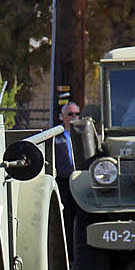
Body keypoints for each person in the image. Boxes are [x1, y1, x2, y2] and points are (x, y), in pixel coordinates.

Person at [54, 102, 82, 255]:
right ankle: (68, 252)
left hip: (81, 180)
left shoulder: (84, 136)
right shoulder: (56, 137)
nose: (74, 117)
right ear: (62, 116)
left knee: (81, 216)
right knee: (66, 216)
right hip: (64, 181)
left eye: (76, 114)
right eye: (70, 114)